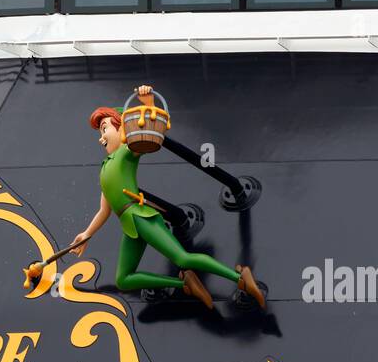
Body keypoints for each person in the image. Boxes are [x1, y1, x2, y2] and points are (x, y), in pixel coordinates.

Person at [72, 98, 264, 310]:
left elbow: (146, 131)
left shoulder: (127, 153)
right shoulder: (104, 169)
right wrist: (86, 234)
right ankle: (184, 282)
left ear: (122, 129)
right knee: (123, 279)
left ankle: (240, 277)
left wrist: (147, 102)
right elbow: (104, 209)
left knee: (183, 258)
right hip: (130, 226)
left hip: (141, 215)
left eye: (104, 128)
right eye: (100, 132)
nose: (101, 138)